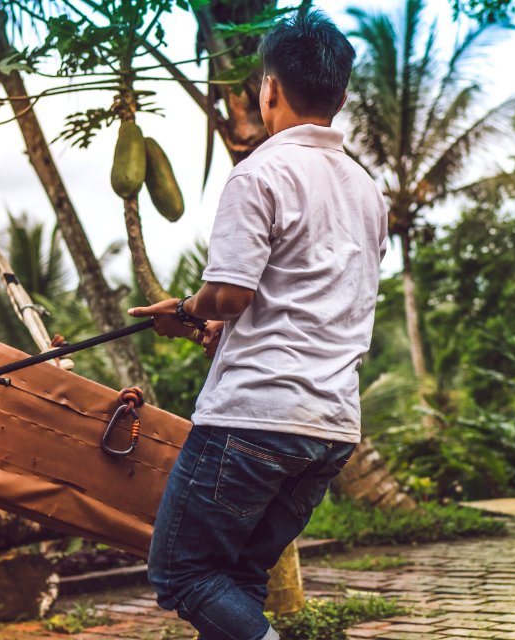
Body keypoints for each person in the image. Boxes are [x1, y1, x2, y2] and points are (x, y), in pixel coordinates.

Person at [127, 9, 387, 640]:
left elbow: (229, 293)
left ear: (268, 89)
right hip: (329, 429)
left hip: (255, 417)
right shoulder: (366, 191)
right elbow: (317, 296)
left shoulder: (261, 173)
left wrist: (187, 312)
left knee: (182, 573)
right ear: (341, 94)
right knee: (239, 579)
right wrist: (221, 326)